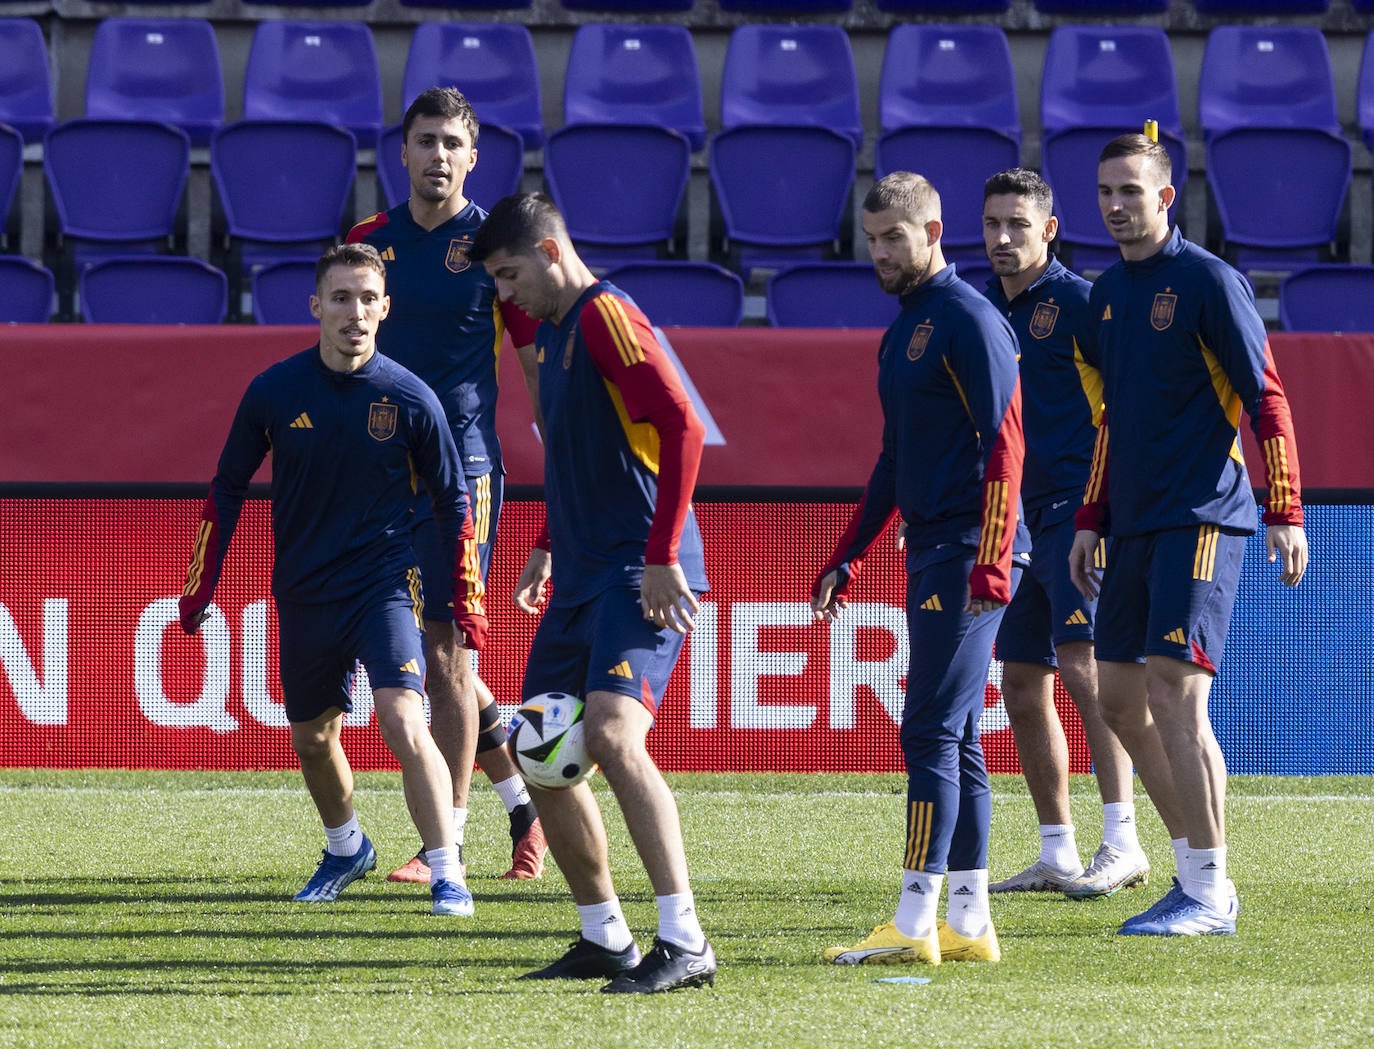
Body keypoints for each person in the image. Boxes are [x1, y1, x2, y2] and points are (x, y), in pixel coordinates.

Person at [178, 242, 488, 917]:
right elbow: (227, 486)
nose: (355, 312)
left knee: (405, 719)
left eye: (368, 299)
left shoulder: (410, 397)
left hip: (382, 586)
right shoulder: (274, 390)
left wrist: (464, 594)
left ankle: (447, 870)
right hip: (304, 591)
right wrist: (202, 584)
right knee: (313, 740)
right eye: (341, 298)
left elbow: (454, 499)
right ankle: (347, 846)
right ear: (316, 306)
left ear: (386, 308)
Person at [468, 193, 716, 994]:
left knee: (611, 732)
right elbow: (585, 460)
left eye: (508, 275)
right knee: (540, 748)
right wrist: (546, 542)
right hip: (581, 572)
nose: (507, 297)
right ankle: (604, 934)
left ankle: (686, 940)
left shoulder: (606, 315)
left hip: (637, 569)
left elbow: (680, 425)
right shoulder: (562, 334)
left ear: (548, 252)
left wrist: (659, 555)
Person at [1069, 133, 1308, 936]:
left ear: (1165, 197)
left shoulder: (1210, 281)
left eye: (1131, 190)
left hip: (1204, 515)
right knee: (1118, 696)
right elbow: (1110, 422)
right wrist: (1090, 518)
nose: (1115, 204)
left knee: (1175, 690)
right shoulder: (1104, 297)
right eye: (1106, 191)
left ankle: (1209, 892)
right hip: (1131, 524)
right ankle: (1192, 869)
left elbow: (1264, 396)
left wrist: (1285, 508)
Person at [813, 172, 1027, 967]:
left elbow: (1006, 445)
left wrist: (995, 560)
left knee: (929, 728)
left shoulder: (969, 320)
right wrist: (849, 553)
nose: (880, 253)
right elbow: (894, 460)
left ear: (935, 233)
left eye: (894, 238)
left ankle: (912, 918)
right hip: (937, 545)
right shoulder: (904, 330)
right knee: (960, 735)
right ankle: (967, 922)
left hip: (969, 548)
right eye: (871, 239)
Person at [346, 87, 548, 883]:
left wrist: (560, 489)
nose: (436, 155)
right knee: (430, 655)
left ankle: (445, 846)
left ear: (474, 158)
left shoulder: (497, 244)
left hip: (461, 471)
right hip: (378, 471)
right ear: (402, 152)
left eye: (451, 143)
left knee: (445, 650)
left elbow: (538, 373)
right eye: (423, 140)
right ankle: (524, 807)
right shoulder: (368, 241)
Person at [979, 168, 1150, 900]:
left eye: (1018, 224)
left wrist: (1107, 506)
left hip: (1081, 512)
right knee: (1022, 681)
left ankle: (1125, 840)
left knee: (1086, 670)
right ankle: (1058, 849)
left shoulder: (1081, 304)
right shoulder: (983, 308)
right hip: (1021, 517)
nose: (1002, 237)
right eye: (992, 224)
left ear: (1049, 229)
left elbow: (1128, 400)